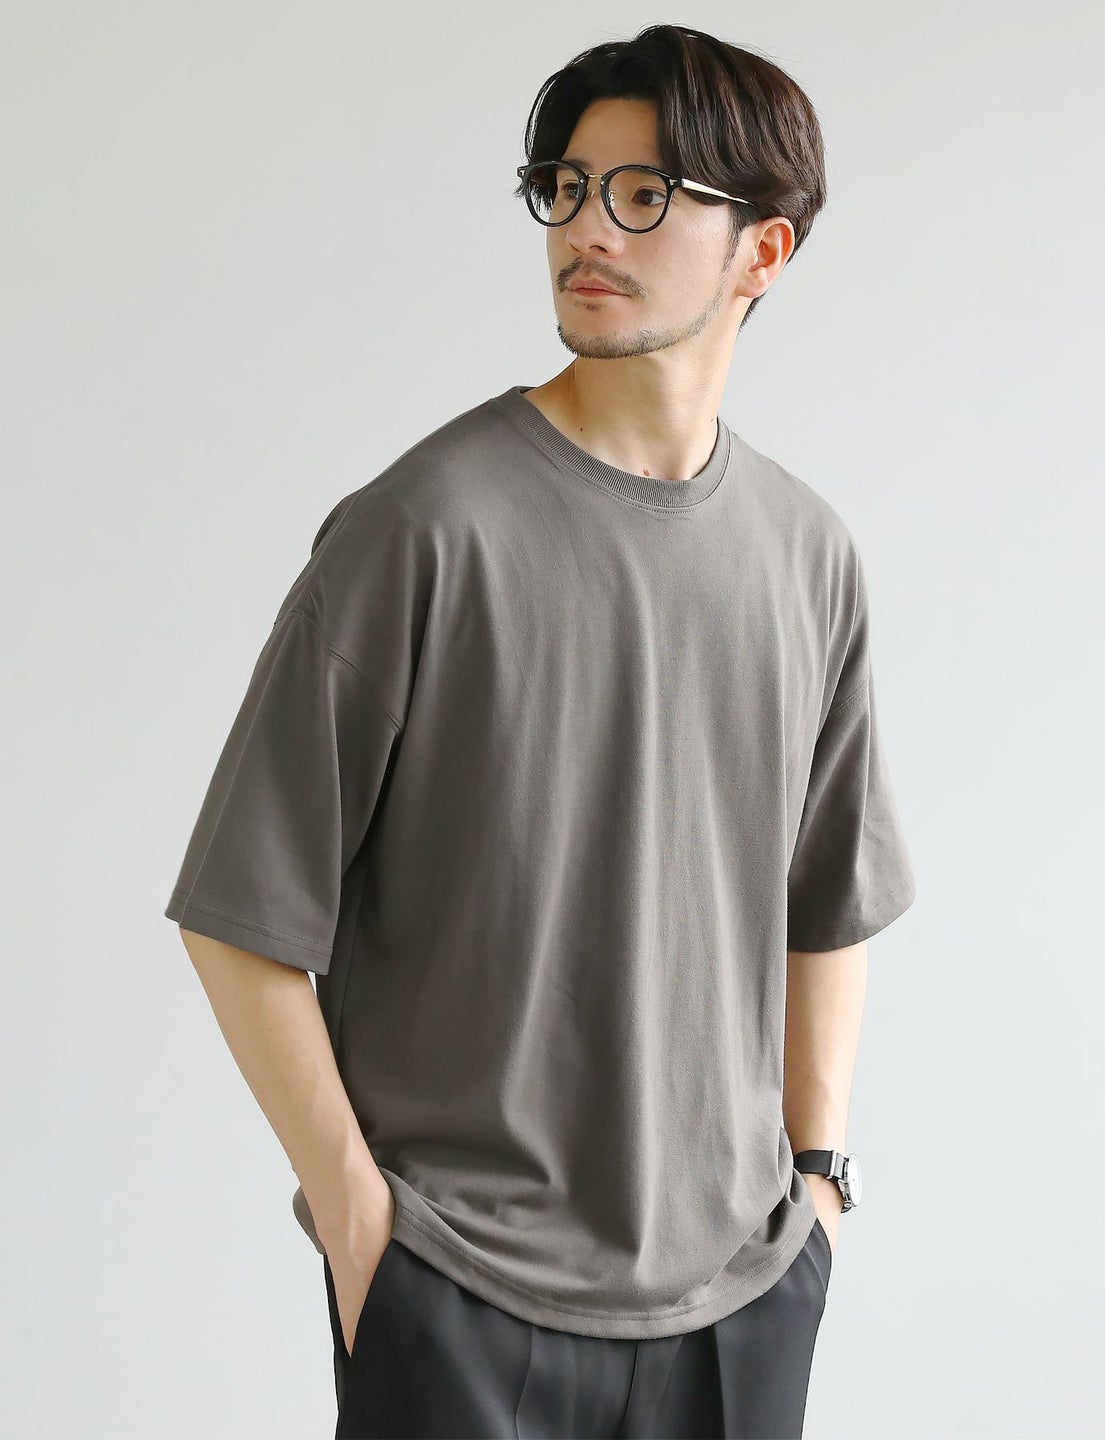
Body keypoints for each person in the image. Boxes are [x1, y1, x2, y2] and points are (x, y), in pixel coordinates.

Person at [164, 22, 916, 1439]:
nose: (588, 230)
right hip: (459, 1289)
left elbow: (833, 903)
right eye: (566, 189)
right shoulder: (421, 528)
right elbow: (240, 914)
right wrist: (359, 1222)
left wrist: (818, 1189)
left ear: (764, 252)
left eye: (645, 196)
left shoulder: (808, 554)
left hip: (741, 1297)